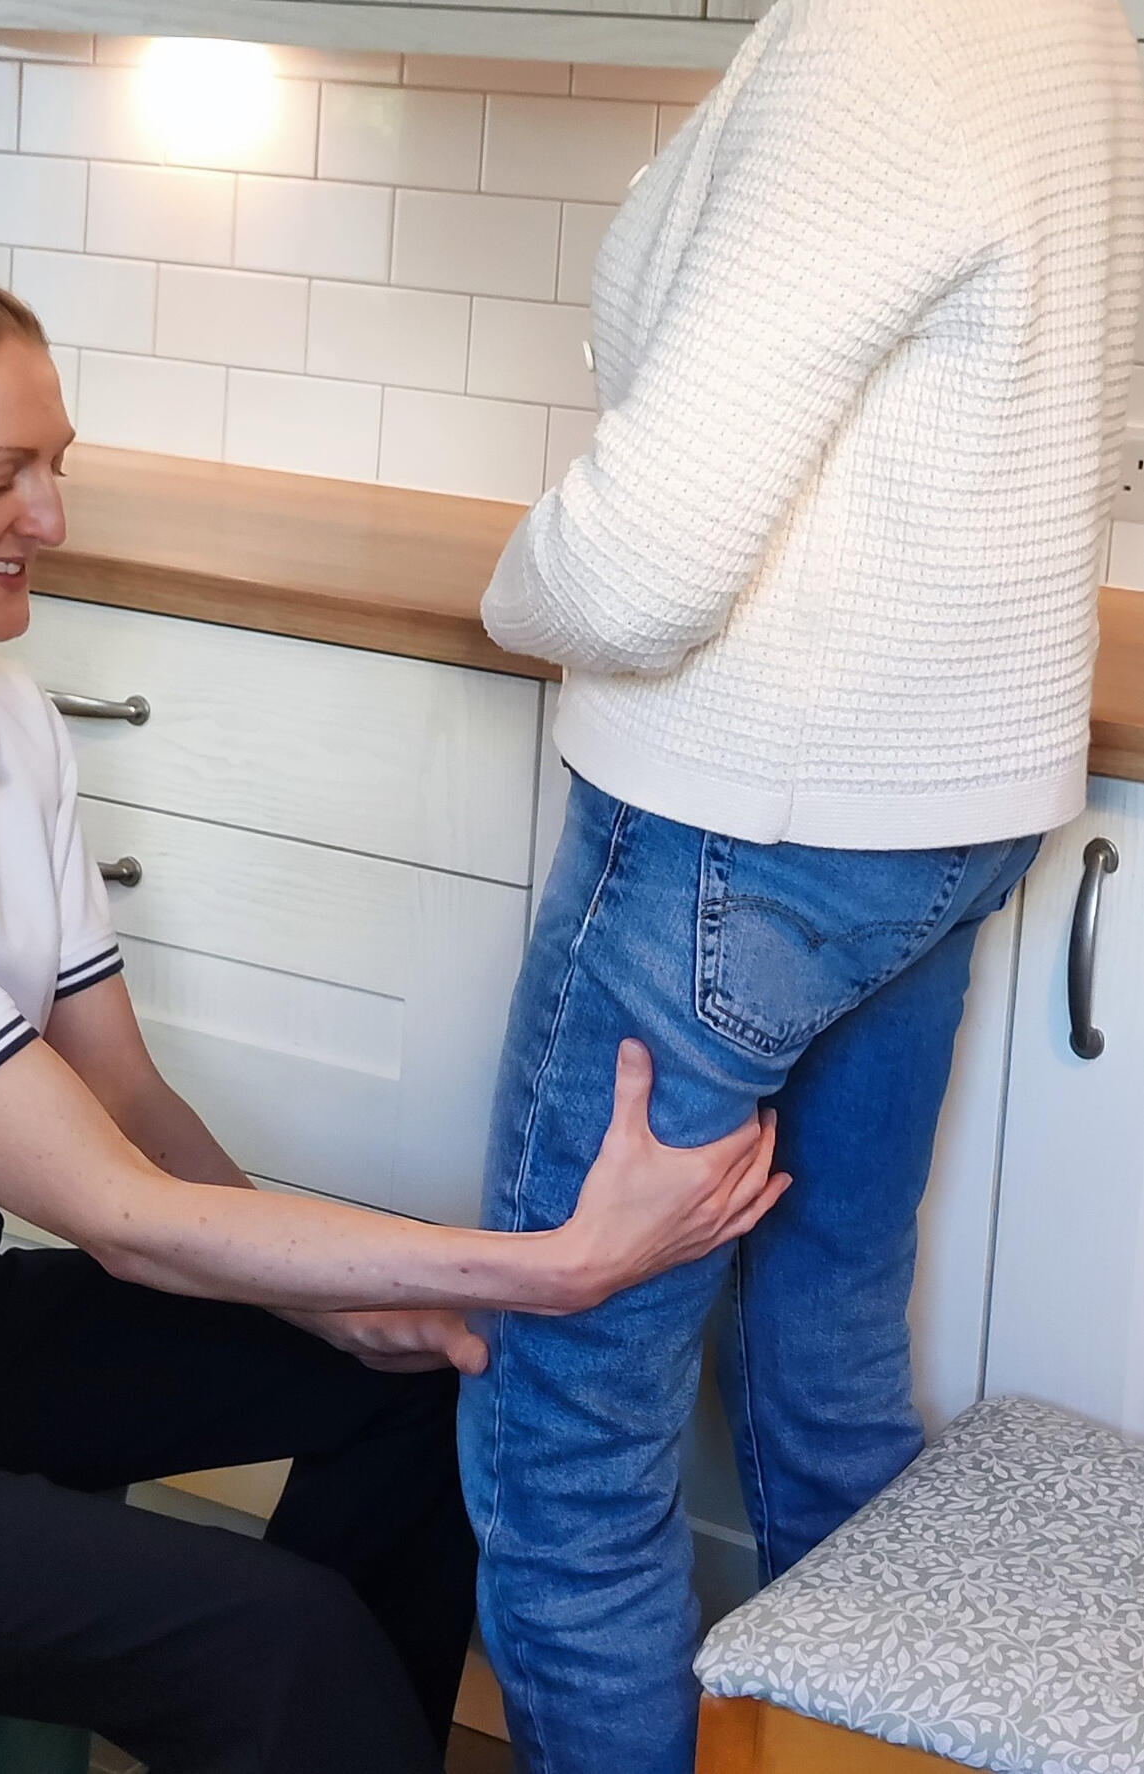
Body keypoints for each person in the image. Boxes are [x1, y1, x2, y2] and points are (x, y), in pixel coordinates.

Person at [0, 261, 788, 1774]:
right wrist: (557, 1265)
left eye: (55, 464)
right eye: (0, 474)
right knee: (266, 1631)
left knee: (418, 1378)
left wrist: (323, 1298)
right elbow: (119, 1214)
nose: (51, 515)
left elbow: (122, 1092)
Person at [459, 1, 1144, 1770]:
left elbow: (638, 561)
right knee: (825, 1349)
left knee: (568, 1427)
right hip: (937, 800)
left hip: (741, 808)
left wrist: (511, 594)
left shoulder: (879, 38)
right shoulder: (1071, 29)